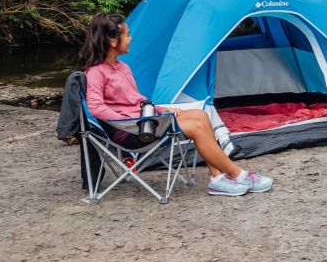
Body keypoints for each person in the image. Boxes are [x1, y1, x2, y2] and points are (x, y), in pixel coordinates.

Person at [80, 12, 273, 196]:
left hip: (145, 121)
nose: (131, 38)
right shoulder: (96, 72)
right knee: (196, 127)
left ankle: (217, 178)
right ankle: (239, 175)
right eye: (127, 34)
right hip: (131, 131)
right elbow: (96, 107)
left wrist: (163, 110)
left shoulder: (123, 68)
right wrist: (127, 119)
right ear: (113, 41)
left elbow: (136, 102)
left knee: (201, 115)